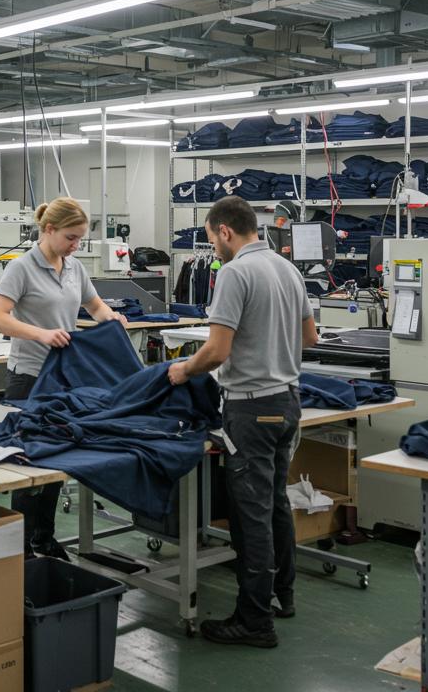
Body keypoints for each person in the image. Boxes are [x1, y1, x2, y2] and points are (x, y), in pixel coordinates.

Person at [166, 197, 318, 649]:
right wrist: (270, 347)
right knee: (274, 504)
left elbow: (217, 351)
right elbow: (310, 337)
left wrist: (184, 370)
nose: (213, 248)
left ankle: (254, 621)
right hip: (288, 402)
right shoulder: (287, 269)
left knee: (250, 516)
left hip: (251, 408)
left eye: (212, 239)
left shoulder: (234, 273)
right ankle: (283, 595)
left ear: (225, 231)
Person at [0, 197, 127, 558]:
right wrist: (42, 334)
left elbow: (94, 305)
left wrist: (112, 319)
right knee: (26, 462)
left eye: (80, 238)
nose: (76, 244)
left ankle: (43, 537)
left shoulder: (74, 268)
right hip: (29, 377)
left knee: (57, 459)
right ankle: (19, 546)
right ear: (49, 230)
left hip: (63, 379)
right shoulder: (21, 268)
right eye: (71, 237)